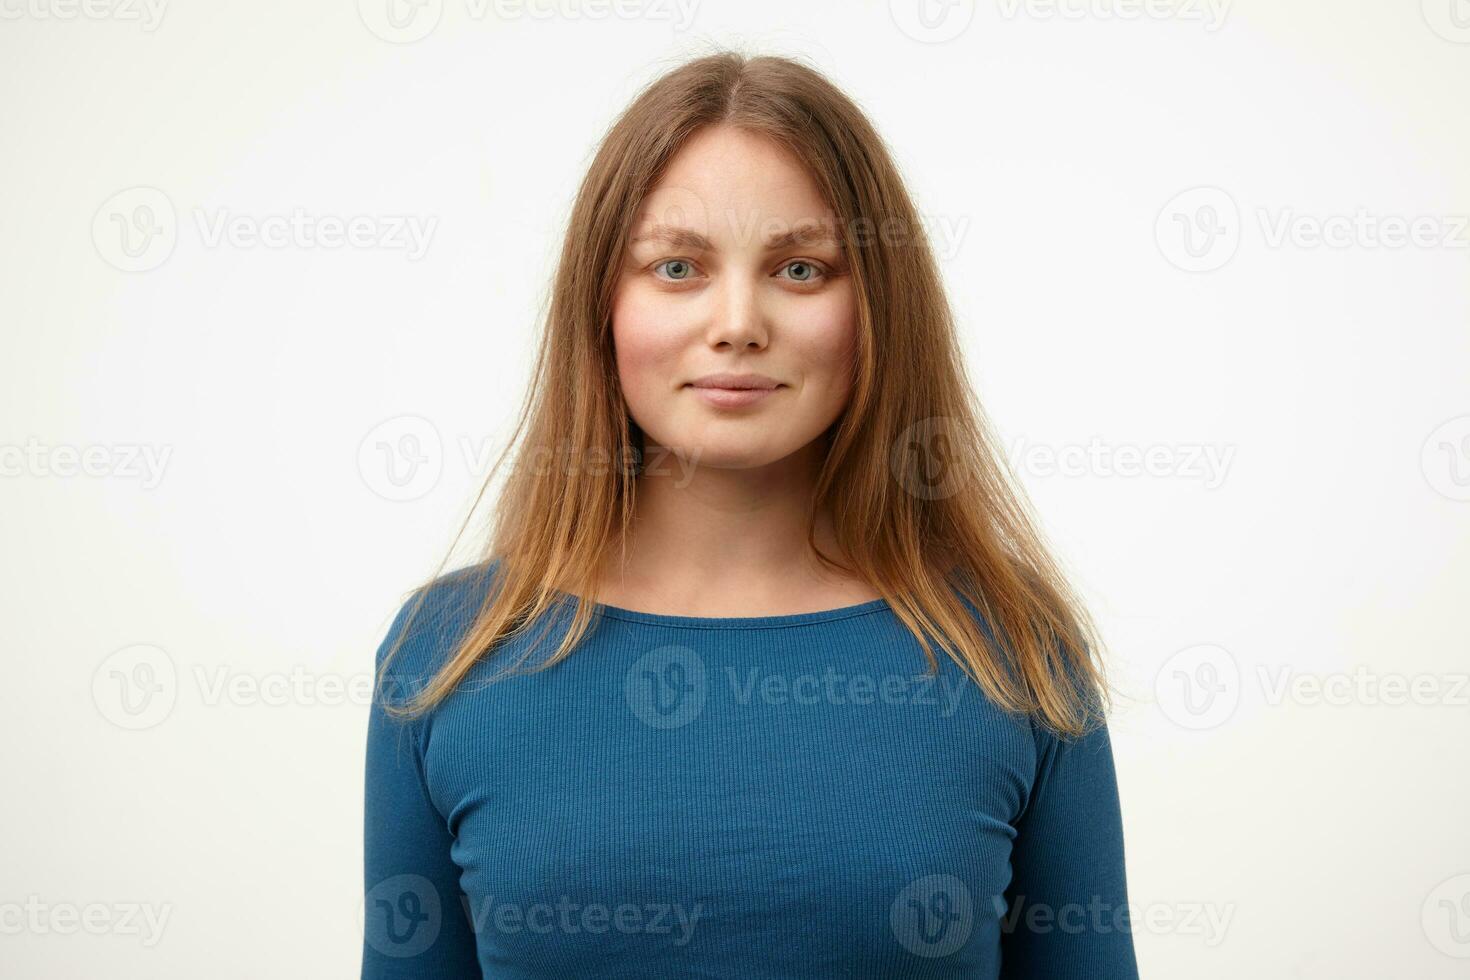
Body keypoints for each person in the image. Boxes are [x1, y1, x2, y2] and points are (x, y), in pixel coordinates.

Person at [362, 49, 1139, 979]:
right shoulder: (449, 653)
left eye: (802, 269)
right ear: (600, 304)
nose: (737, 321)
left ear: (878, 308)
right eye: (678, 266)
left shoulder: (1013, 650)